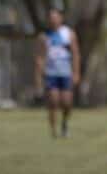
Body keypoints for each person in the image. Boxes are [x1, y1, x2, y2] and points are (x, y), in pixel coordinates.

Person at [35, 8, 79, 139]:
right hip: (51, 73)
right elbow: (40, 57)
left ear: (61, 18)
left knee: (67, 102)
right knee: (53, 101)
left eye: (55, 17)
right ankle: (53, 131)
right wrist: (39, 75)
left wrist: (76, 72)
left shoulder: (69, 34)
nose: (53, 20)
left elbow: (76, 54)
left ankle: (64, 124)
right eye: (50, 17)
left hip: (65, 73)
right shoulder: (43, 36)